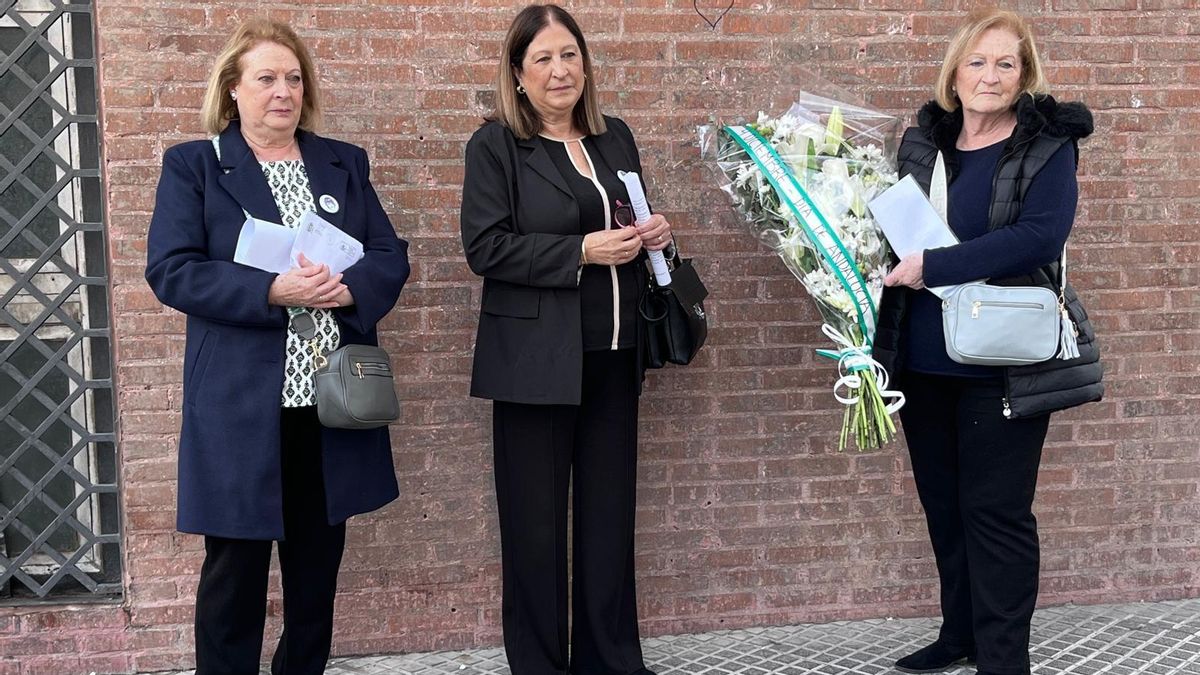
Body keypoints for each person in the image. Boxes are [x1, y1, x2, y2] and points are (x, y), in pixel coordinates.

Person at [144, 18, 409, 675]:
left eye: (293, 78)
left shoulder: (342, 163)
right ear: (233, 88)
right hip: (240, 408)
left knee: (315, 581)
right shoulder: (196, 166)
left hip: (329, 404)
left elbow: (388, 254)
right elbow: (172, 269)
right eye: (265, 78)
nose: (282, 91)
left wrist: (349, 290)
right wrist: (270, 289)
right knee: (233, 579)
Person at [874, 8, 1103, 675]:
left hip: (1002, 366)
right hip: (923, 360)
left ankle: (1003, 660)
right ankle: (961, 634)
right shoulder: (923, 145)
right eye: (976, 62)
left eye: (1006, 63)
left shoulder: (1047, 147)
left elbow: (1039, 237)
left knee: (996, 514)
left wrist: (934, 265)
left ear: (1024, 75)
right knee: (945, 509)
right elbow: (890, 232)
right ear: (955, 73)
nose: (989, 75)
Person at [459, 5, 675, 675]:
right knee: (535, 530)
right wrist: (580, 250)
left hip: (614, 356)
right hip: (535, 364)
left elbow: (630, 223)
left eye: (570, 55)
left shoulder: (615, 138)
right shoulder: (495, 146)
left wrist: (655, 235)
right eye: (544, 59)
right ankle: (540, 665)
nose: (560, 70)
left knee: (609, 521)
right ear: (518, 74)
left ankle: (612, 661)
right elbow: (485, 247)